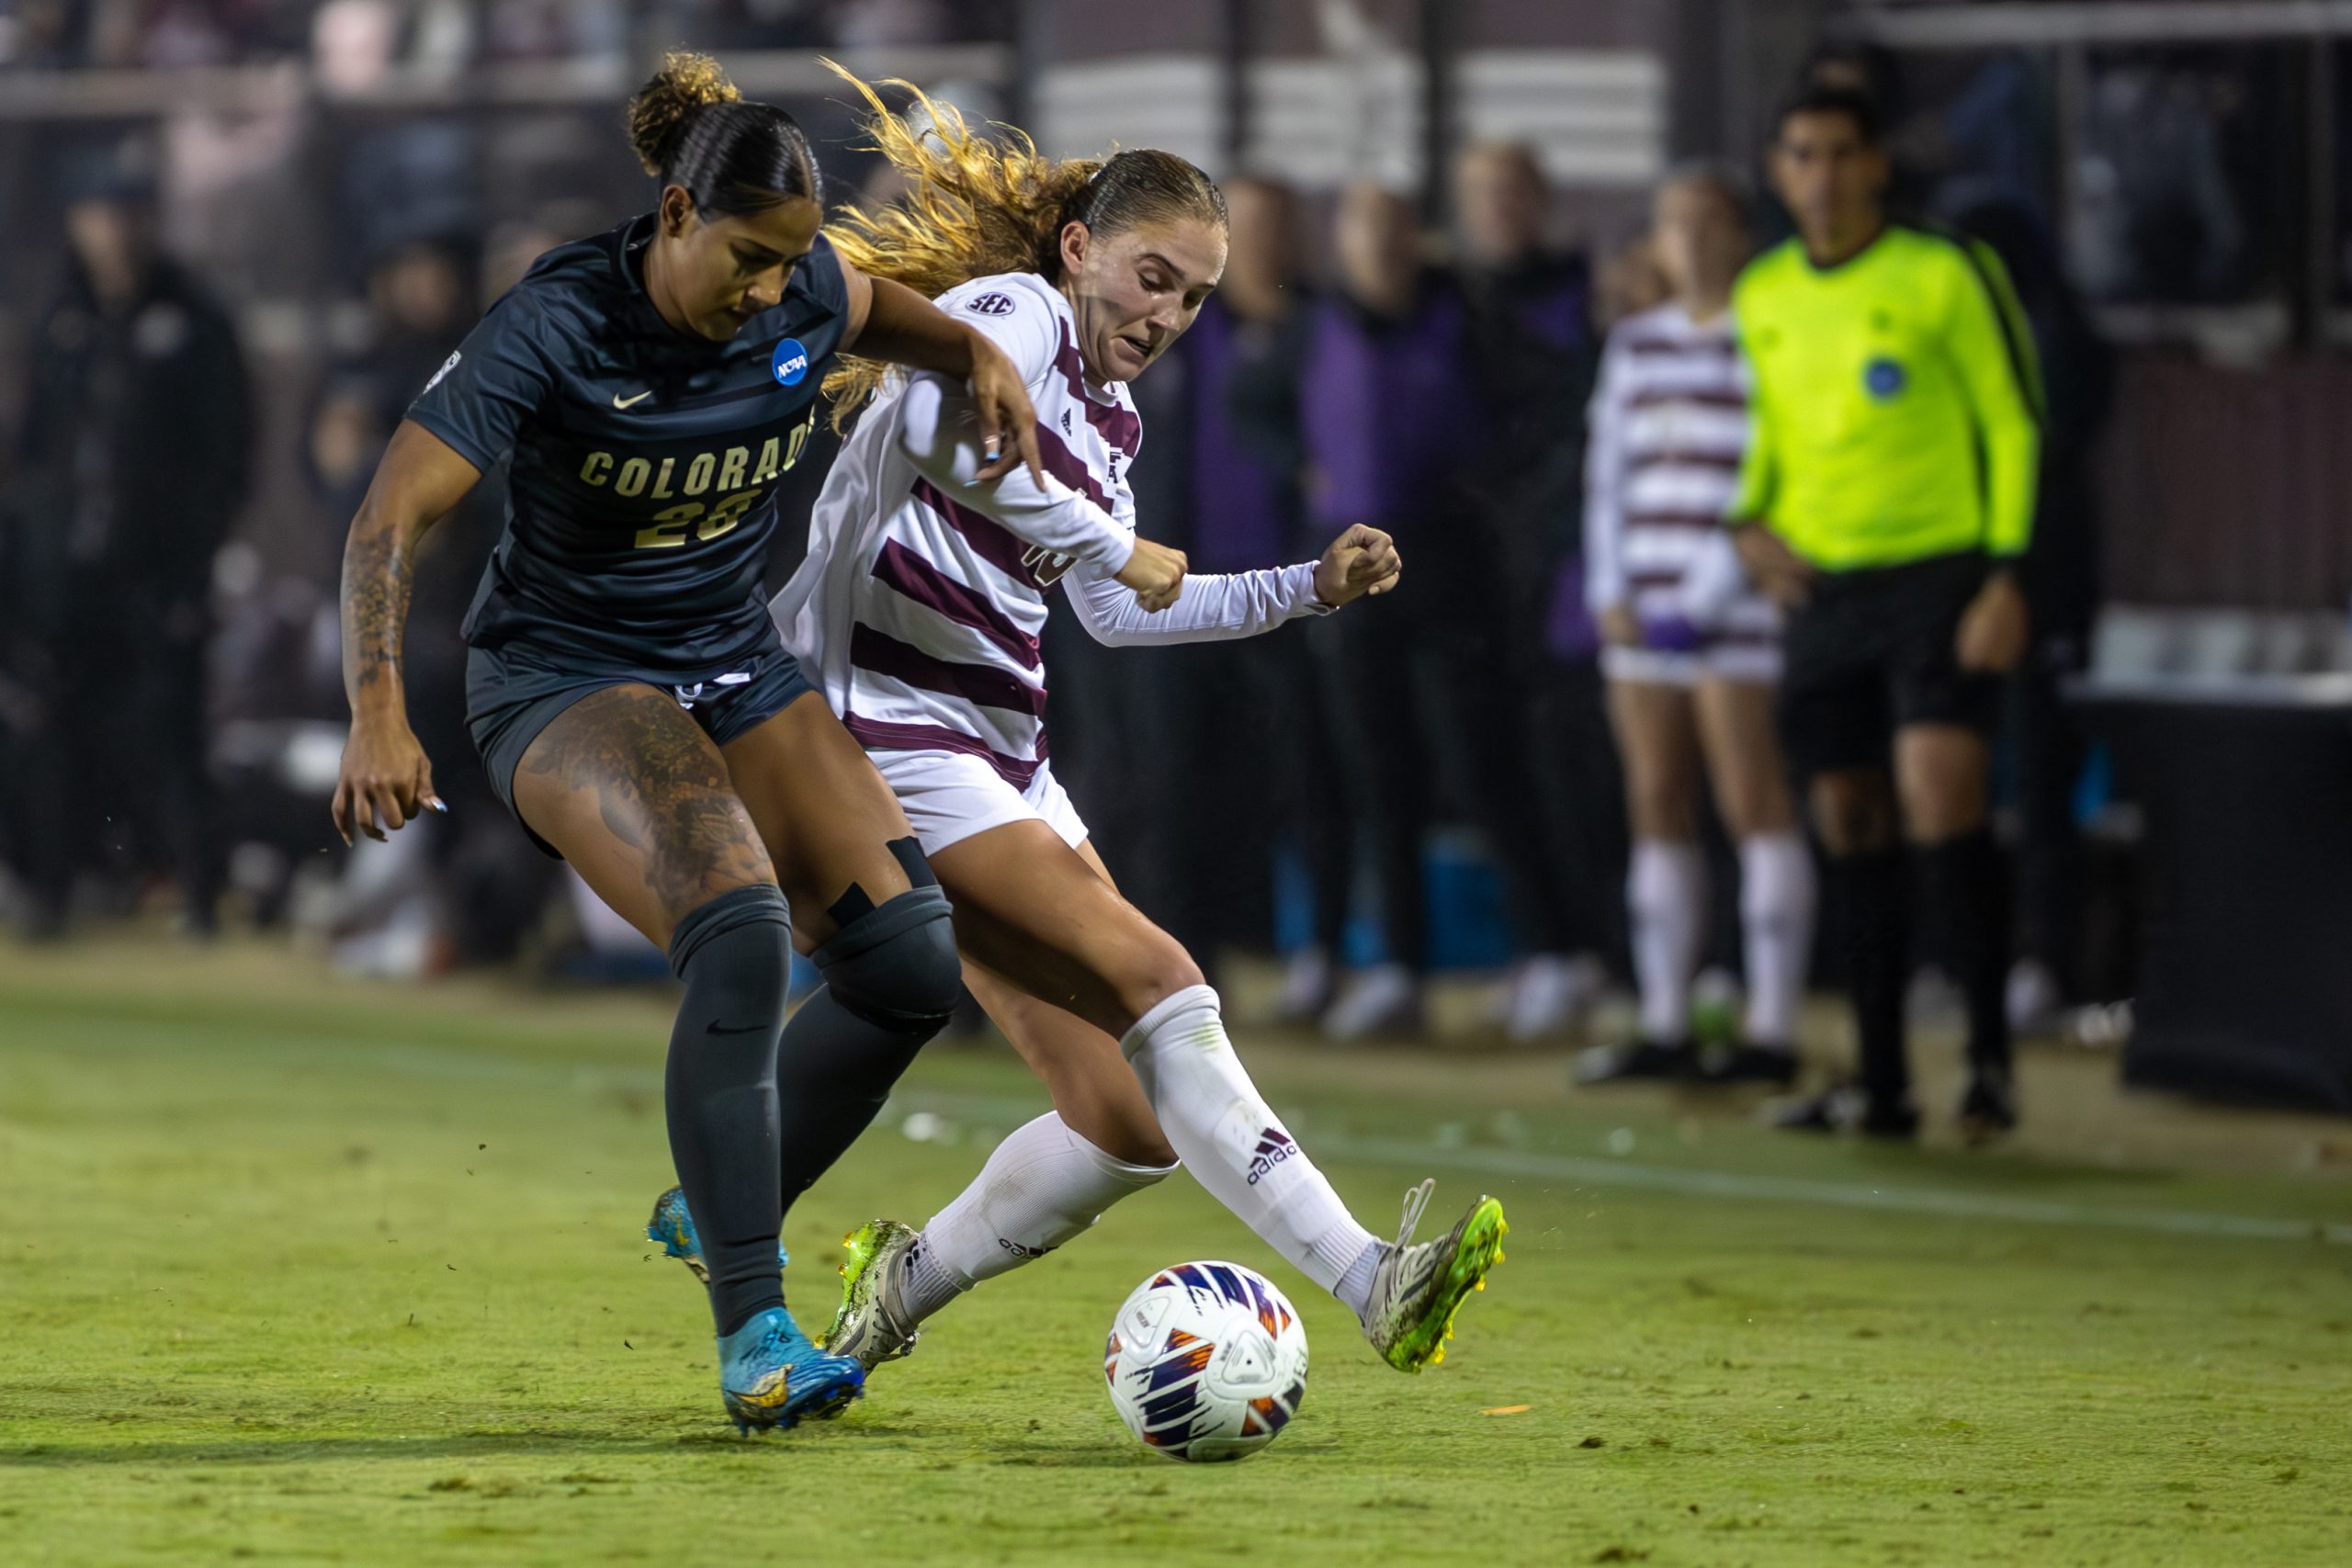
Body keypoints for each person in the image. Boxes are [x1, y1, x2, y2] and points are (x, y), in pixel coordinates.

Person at [648, 74, 1506, 1383]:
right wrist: (1114, 539)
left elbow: (1118, 610)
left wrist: (1304, 589)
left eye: (1197, 297)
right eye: (1153, 277)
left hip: (1004, 757)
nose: (1166, 315)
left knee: (1122, 1120)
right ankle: (1368, 1278)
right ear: (1078, 249)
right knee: (1164, 980)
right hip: (884, 735)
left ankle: (892, 1287)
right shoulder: (1017, 316)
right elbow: (940, 427)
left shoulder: (1112, 418)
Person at [329, 53, 1062, 1433]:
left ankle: (723, 1187)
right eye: (746, 257)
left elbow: (893, 312)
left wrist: (977, 358)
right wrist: (378, 703)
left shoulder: (808, 288)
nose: (773, 291)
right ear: (672, 214)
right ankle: (754, 1333)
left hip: (733, 661)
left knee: (909, 960)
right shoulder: (554, 325)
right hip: (563, 676)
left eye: (792, 265)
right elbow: (389, 516)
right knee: (735, 925)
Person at [1728, 86, 2041, 1141]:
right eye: (1801, 153)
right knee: (1849, 819)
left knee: (1940, 797)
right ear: (1780, 170)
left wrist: (2008, 573)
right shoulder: (1764, 291)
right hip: (1824, 586)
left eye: (1839, 154)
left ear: (1873, 167)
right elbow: (1774, 430)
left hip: (1939, 573)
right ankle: (1882, 1081)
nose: (1820, 174)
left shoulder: (1943, 271)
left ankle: (1990, 1065)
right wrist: (1746, 519)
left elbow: (2013, 415)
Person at [1574, 165, 1815, 1089]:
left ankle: (1772, 1028)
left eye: (1710, 223)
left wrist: (1710, 590)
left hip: (1733, 602)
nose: (1692, 242)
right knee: (1656, 800)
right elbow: (1609, 474)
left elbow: (1776, 472)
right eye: (1674, 225)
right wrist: (1610, 585)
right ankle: (1667, 1019)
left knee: (1754, 799)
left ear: (1740, 235)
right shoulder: (1637, 343)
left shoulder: (1770, 338)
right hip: (1643, 603)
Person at [2, 141, 252, 938]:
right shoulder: (62, 319)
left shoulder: (194, 318)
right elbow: (39, 449)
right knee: (54, 728)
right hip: (67, 572)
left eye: (131, 212)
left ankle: (199, 894)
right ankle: (54, 890)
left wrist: (196, 563)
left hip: (158, 570)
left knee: (171, 730)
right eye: (102, 213)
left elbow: (225, 453)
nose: (116, 231)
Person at [1452, 141, 1614, 1043]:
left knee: (1571, 763)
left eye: (1515, 192)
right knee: (1488, 765)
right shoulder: (1455, 301)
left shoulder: (1577, 293)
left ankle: (1595, 951)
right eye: (1485, 193)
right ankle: (1540, 948)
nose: (1501, 208)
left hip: (1559, 560)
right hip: (1474, 571)